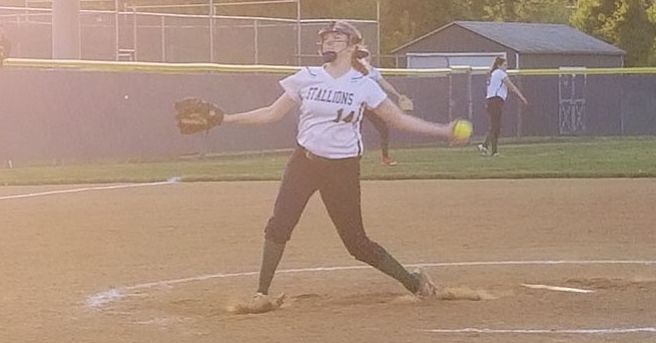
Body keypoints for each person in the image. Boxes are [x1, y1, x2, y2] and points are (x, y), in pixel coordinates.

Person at [222, 20, 468, 311]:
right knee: (279, 224)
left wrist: (442, 130)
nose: (328, 42)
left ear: (353, 46)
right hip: (304, 161)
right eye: (325, 39)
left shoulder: (363, 85)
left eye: (337, 38)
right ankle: (261, 294)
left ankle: (415, 283)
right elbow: (271, 113)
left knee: (356, 243)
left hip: (342, 168)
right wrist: (225, 119)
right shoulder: (307, 76)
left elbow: (397, 119)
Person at [356, 47, 414, 166]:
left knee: (383, 129)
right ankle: (350, 158)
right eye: (363, 55)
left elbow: (384, 84)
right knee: (353, 132)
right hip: (357, 106)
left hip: (371, 106)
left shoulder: (373, 71)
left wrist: (398, 95)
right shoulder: (353, 71)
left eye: (367, 55)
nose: (366, 57)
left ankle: (385, 158)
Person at [477, 56, 528, 157]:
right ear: (499, 65)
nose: (506, 67)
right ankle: (486, 147)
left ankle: (489, 149)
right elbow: (511, 86)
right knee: (495, 126)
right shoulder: (500, 73)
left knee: (495, 126)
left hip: (492, 101)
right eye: (505, 65)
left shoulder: (493, 74)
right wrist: (521, 97)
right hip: (495, 101)